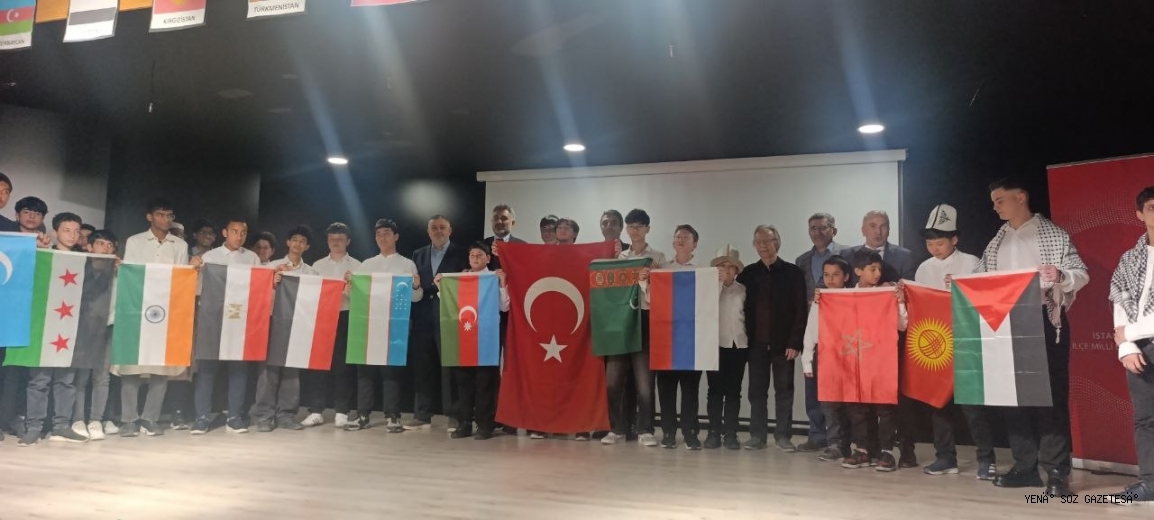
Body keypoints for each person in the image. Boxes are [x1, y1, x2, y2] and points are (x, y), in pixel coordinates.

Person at [978, 178, 1088, 496]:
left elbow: (1081, 272)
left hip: (1044, 318)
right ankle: (1025, 466)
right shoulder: (997, 242)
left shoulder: (1052, 234)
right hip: (1007, 322)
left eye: (1000, 200)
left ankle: (1055, 470)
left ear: (1021, 197)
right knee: (1013, 396)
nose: (995, 207)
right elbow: (981, 279)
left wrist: (1061, 275)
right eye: (993, 201)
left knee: (1051, 396)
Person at [913, 204, 997, 479]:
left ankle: (986, 459)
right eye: (930, 243)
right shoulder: (924, 268)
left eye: (940, 243)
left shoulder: (971, 263)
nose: (934, 248)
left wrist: (962, 288)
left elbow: (986, 301)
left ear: (955, 239)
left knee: (973, 406)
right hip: (937, 344)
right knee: (938, 404)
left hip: (966, 342)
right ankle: (945, 457)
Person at [114, 198, 190, 438]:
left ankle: (150, 418)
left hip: (165, 312)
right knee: (131, 366)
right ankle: (129, 419)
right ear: (150, 216)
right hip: (137, 309)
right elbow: (131, 275)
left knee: (160, 367)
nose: (165, 219)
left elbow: (181, 279)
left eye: (169, 215)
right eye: (160, 214)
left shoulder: (179, 245)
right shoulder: (135, 241)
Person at [345, 218, 423, 433]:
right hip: (369, 325)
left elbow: (416, 298)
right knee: (365, 371)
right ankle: (363, 414)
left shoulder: (406, 264)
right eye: (378, 234)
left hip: (393, 326)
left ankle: (393, 415)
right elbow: (354, 296)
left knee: (391, 371)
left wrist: (416, 286)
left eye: (387, 233)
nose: (382, 237)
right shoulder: (367, 265)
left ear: (396, 236)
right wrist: (350, 285)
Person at [18, 212, 89, 446]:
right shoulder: (44, 256)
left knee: (66, 381)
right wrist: (38, 251)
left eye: (76, 231)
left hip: (70, 328)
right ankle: (34, 427)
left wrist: (110, 266)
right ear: (55, 232)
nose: (72, 235)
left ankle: (61, 425)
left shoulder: (85, 260)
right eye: (67, 230)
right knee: (39, 380)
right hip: (44, 326)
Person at [188, 218, 261, 435]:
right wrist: (195, 269)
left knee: (239, 370)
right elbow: (198, 287)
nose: (239, 236)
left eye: (243, 233)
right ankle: (201, 418)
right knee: (207, 370)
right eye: (235, 231)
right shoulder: (210, 257)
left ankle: (234, 417)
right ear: (225, 233)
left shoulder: (252, 258)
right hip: (212, 318)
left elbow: (259, 286)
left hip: (239, 319)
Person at [737, 225, 807, 451]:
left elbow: (800, 310)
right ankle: (757, 436)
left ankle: (783, 436)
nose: (763, 246)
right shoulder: (748, 274)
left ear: (777, 242)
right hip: (755, 343)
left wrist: (795, 342)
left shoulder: (793, 273)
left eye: (767, 241)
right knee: (756, 392)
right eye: (758, 242)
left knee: (784, 392)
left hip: (784, 344)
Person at [639, 225, 705, 450]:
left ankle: (690, 432)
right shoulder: (662, 269)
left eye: (686, 237)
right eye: (677, 236)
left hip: (691, 340)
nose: (680, 240)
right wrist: (645, 281)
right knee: (666, 389)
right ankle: (668, 432)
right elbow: (651, 301)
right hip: (666, 339)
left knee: (690, 390)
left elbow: (709, 304)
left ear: (695, 243)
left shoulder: (703, 271)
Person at [841, 250, 908, 471]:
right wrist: (821, 301)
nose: (878, 273)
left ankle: (887, 451)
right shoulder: (845, 296)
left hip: (882, 358)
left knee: (885, 405)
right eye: (872, 269)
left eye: (879, 269)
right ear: (858, 271)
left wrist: (899, 302)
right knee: (857, 405)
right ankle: (862, 450)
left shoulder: (886, 293)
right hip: (856, 357)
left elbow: (902, 325)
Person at [603, 208, 665, 447]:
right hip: (621, 322)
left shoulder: (657, 257)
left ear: (647, 229)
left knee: (645, 382)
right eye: (631, 226)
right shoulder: (619, 257)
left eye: (639, 226)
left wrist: (651, 279)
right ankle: (616, 428)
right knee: (612, 381)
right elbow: (610, 293)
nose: (634, 230)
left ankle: (646, 429)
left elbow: (663, 296)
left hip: (645, 319)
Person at [1109, 186, 1154, 504]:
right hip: (1141, 348)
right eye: (1152, 207)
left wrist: (1129, 333)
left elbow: (1128, 326)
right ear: (1139, 214)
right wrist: (1126, 346)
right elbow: (1120, 300)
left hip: (1137, 335)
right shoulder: (1130, 258)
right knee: (1146, 419)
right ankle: (1151, 484)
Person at [437, 242, 509, 440]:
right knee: (463, 382)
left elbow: (504, 307)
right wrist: (441, 285)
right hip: (464, 336)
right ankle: (465, 423)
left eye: (479, 255)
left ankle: (485, 424)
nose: (475, 258)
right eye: (472, 255)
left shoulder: (493, 277)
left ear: (488, 258)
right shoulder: (462, 278)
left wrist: (503, 284)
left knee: (485, 383)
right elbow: (450, 303)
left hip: (486, 338)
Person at [251, 225, 318, 432]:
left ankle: (286, 415)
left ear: (307, 246)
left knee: (292, 369)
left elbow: (315, 300)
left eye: (302, 241)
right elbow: (257, 293)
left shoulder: (312, 272)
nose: (298, 244)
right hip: (273, 321)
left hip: (298, 324)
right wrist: (271, 282)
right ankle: (264, 415)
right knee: (268, 370)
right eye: (294, 239)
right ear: (288, 242)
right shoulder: (272, 266)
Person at [409, 215, 470, 431]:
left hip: (449, 316)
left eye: (442, 227)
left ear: (450, 230)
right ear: (428, 232)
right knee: (422, 367)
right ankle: (422, 415)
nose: (438, 231)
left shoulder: (462, 253)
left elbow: (465, 284)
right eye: (434, 228)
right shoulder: (418, 254)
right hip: (423, 317)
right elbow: (415, 283)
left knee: (450, 368)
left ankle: (454, 415)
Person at [795, 212, 849, 453]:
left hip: (842, 335)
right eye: (813, 228)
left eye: (822, 228)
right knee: (813, 387)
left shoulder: (847, 254)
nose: (817, 232)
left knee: (839, 390)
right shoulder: (802, 260)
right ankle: (817, 435)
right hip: (813, 330)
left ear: (833, 230)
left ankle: (841, 439)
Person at [303, 222, 361, 429]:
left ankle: (342, 411)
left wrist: (351, 288)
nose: (336, 242)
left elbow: (363, 299)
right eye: (332, 239)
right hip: (322, 318)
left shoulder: (358, 266)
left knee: (343, 367)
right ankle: (316, 410)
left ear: (348, 241)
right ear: (327, 241)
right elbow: (311, 295)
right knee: (318, 364)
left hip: (346, 316)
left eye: (340, 239)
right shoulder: (317, 266)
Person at [802, 256, 855, 463]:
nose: (830, 279)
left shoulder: (855, 297)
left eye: (836, 275)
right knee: (828, 403)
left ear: (846, 276)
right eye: (826, 275)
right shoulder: (820, 299)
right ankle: (834, 444)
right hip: (825, 356)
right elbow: (811, 330)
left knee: (849, 404)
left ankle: (851, 444)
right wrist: (807, 359)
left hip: (849, 355)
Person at [70, 230, 120, 442]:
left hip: (108, 327)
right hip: (85, 327)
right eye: (100, 243)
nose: (105, 249)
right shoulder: (81, 268)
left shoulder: (119, 271)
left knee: (102, 377)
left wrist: (122, 271)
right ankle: (78, 419)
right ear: (90, 247)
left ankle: (96, 420)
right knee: (81, 376)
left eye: (110, 245)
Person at [704, 245, 747, 450]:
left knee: (733, 391)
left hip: (739, 345)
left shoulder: (744, 290)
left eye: (731, 266)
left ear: (737, 270)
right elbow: (705, 310)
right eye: (722, 266)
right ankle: (713, 431)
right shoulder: (709, 289)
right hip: (715, 345)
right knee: (714, 391)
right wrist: (718, 284)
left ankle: (731, 432)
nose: (726, 270)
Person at [848, 211, 916, 283]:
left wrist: (893, 286)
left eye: (883, 226)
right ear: (863, 230)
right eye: (873, 226)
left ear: (888, 230)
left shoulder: (904, 256)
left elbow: (909, 286)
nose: (878, 232)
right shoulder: (848, 255)